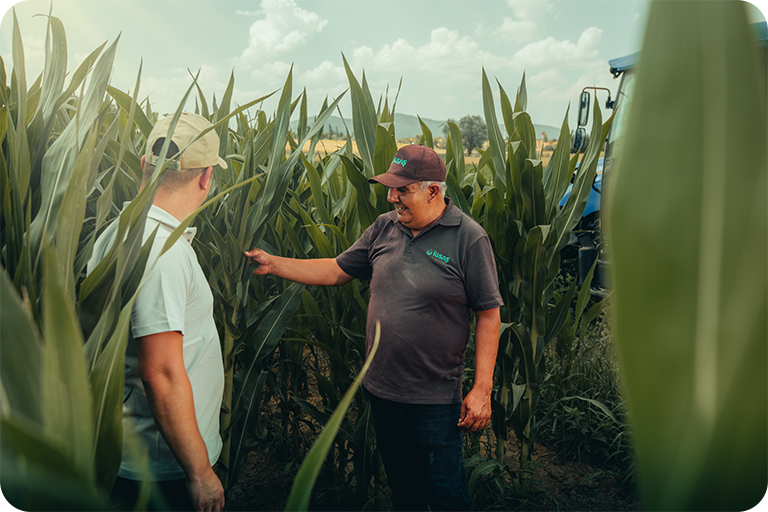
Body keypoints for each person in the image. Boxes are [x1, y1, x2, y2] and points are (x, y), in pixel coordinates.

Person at [244, 144, 503, 511]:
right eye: (390, 187)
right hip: (383, 390)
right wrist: (274, 263)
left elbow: (488, 315)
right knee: (404, 491)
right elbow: (336, 270)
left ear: (433, 191)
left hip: (434, 399)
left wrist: (481, 389)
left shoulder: (468, 238)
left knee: (446, 496)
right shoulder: (385, 226)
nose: (391, 196)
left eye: (402, 189)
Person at [88, 112, 228, 512]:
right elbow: (161, 372)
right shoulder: (160, 251)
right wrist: (200, 472)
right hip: (160, 466)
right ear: (206, 178)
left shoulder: (119, 230)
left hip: (136, 451)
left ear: (146, 166)